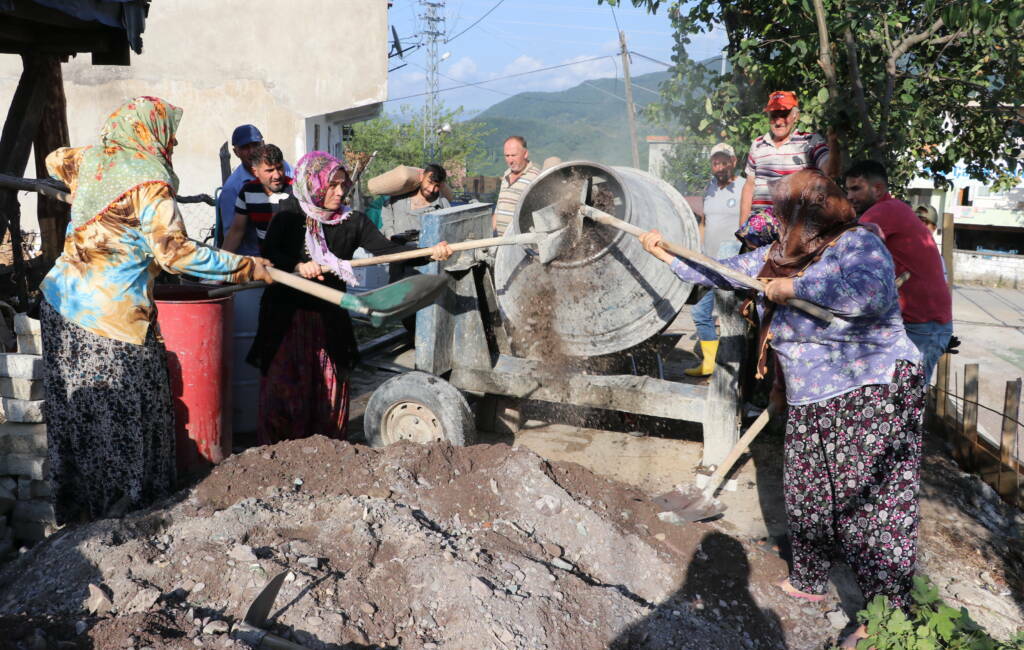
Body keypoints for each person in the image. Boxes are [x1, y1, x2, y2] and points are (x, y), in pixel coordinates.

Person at [641, 170, 924, 650]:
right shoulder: (779, 256)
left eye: (786, 212)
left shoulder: (859, 245)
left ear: (814, 213)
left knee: (872, 508)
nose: (778, 221)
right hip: (812, 395)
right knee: (808, 491)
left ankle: (887, 619)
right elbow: (725, 270)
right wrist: (668, 254)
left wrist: (791, 290)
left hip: (871, 388)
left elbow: (865, 295)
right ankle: (811, 581)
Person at [39, 96, 274, 524]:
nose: (176, 140)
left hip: (59, 305)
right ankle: (122, 517)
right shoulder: (149, 181)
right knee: (121, 415)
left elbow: (56, 159)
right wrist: (245, 266)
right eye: (170, 132)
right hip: (107, 321)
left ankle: (83, 516)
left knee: (83, 415)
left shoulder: (94, 160)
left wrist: (81, 182)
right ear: (150, 134)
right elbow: (176, 254)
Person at [248, 151, 451, 444]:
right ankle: (280, 455)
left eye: (343, 185)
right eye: (332, 185)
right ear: (314, 184)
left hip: (330, 317)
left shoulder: (351, 221)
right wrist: (297, 265)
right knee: (286, 392)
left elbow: (386, 250)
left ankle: (325, 454)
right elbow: (270, 257)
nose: (340, 192)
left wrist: (428, 252)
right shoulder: (289, 214)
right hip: (287, 321)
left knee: (328, 393)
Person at [844, 160, 953, 382]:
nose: (849, 196)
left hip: (921, 326)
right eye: (847, 189)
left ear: (877, 189)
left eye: (856, 188)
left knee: (902, 405)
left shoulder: (883, 212)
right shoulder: (894, 209)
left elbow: (845, 251)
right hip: (918, 324)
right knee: (893, 404)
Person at [738, 91, 839, 248]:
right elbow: (749, 185)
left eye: (784, 114)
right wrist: (744, 227)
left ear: (795, 116)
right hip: (757, 236)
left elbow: (831, 173)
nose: (778, 121)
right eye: (774, 115)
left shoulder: (810, 142)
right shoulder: (757, 144)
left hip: (795, 235)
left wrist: (834, 143)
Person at [686, 142, 747, 376]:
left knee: (704, 313)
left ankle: (720, 369)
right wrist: (698, 251)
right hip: (709, 264)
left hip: (732, 265)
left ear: (734, 162)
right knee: (715, 315)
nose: (719, 166)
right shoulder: (710, 188)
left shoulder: (744, 187)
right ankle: (715, 365)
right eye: (715, 162)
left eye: (724, 161)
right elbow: (704, 222)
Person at [216, 124, 292, 251]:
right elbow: (234, 233)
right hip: (255, 259)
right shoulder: (235, 188)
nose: (252, 151)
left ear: (263, 144)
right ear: (236, 152)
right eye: (245, 147)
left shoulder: (286, 170)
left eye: (255, 145)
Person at [379, 163, 451, 241]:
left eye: (437, 186)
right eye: (430, 182)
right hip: (394, 249)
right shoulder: (398, 198)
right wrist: (391, 237)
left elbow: (449, 232)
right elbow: (387, 221)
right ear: (422, 177)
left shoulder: (442, 205)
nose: (431, 189)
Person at [493, 136, 541, 236]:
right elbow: (499, 208)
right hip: (500, 242)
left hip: (521, 245)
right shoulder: (506, 175)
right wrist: (493, 232)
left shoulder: (536, 178)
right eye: (507, 156)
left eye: (514, 155)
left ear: (525, 154)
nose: (510, 160)